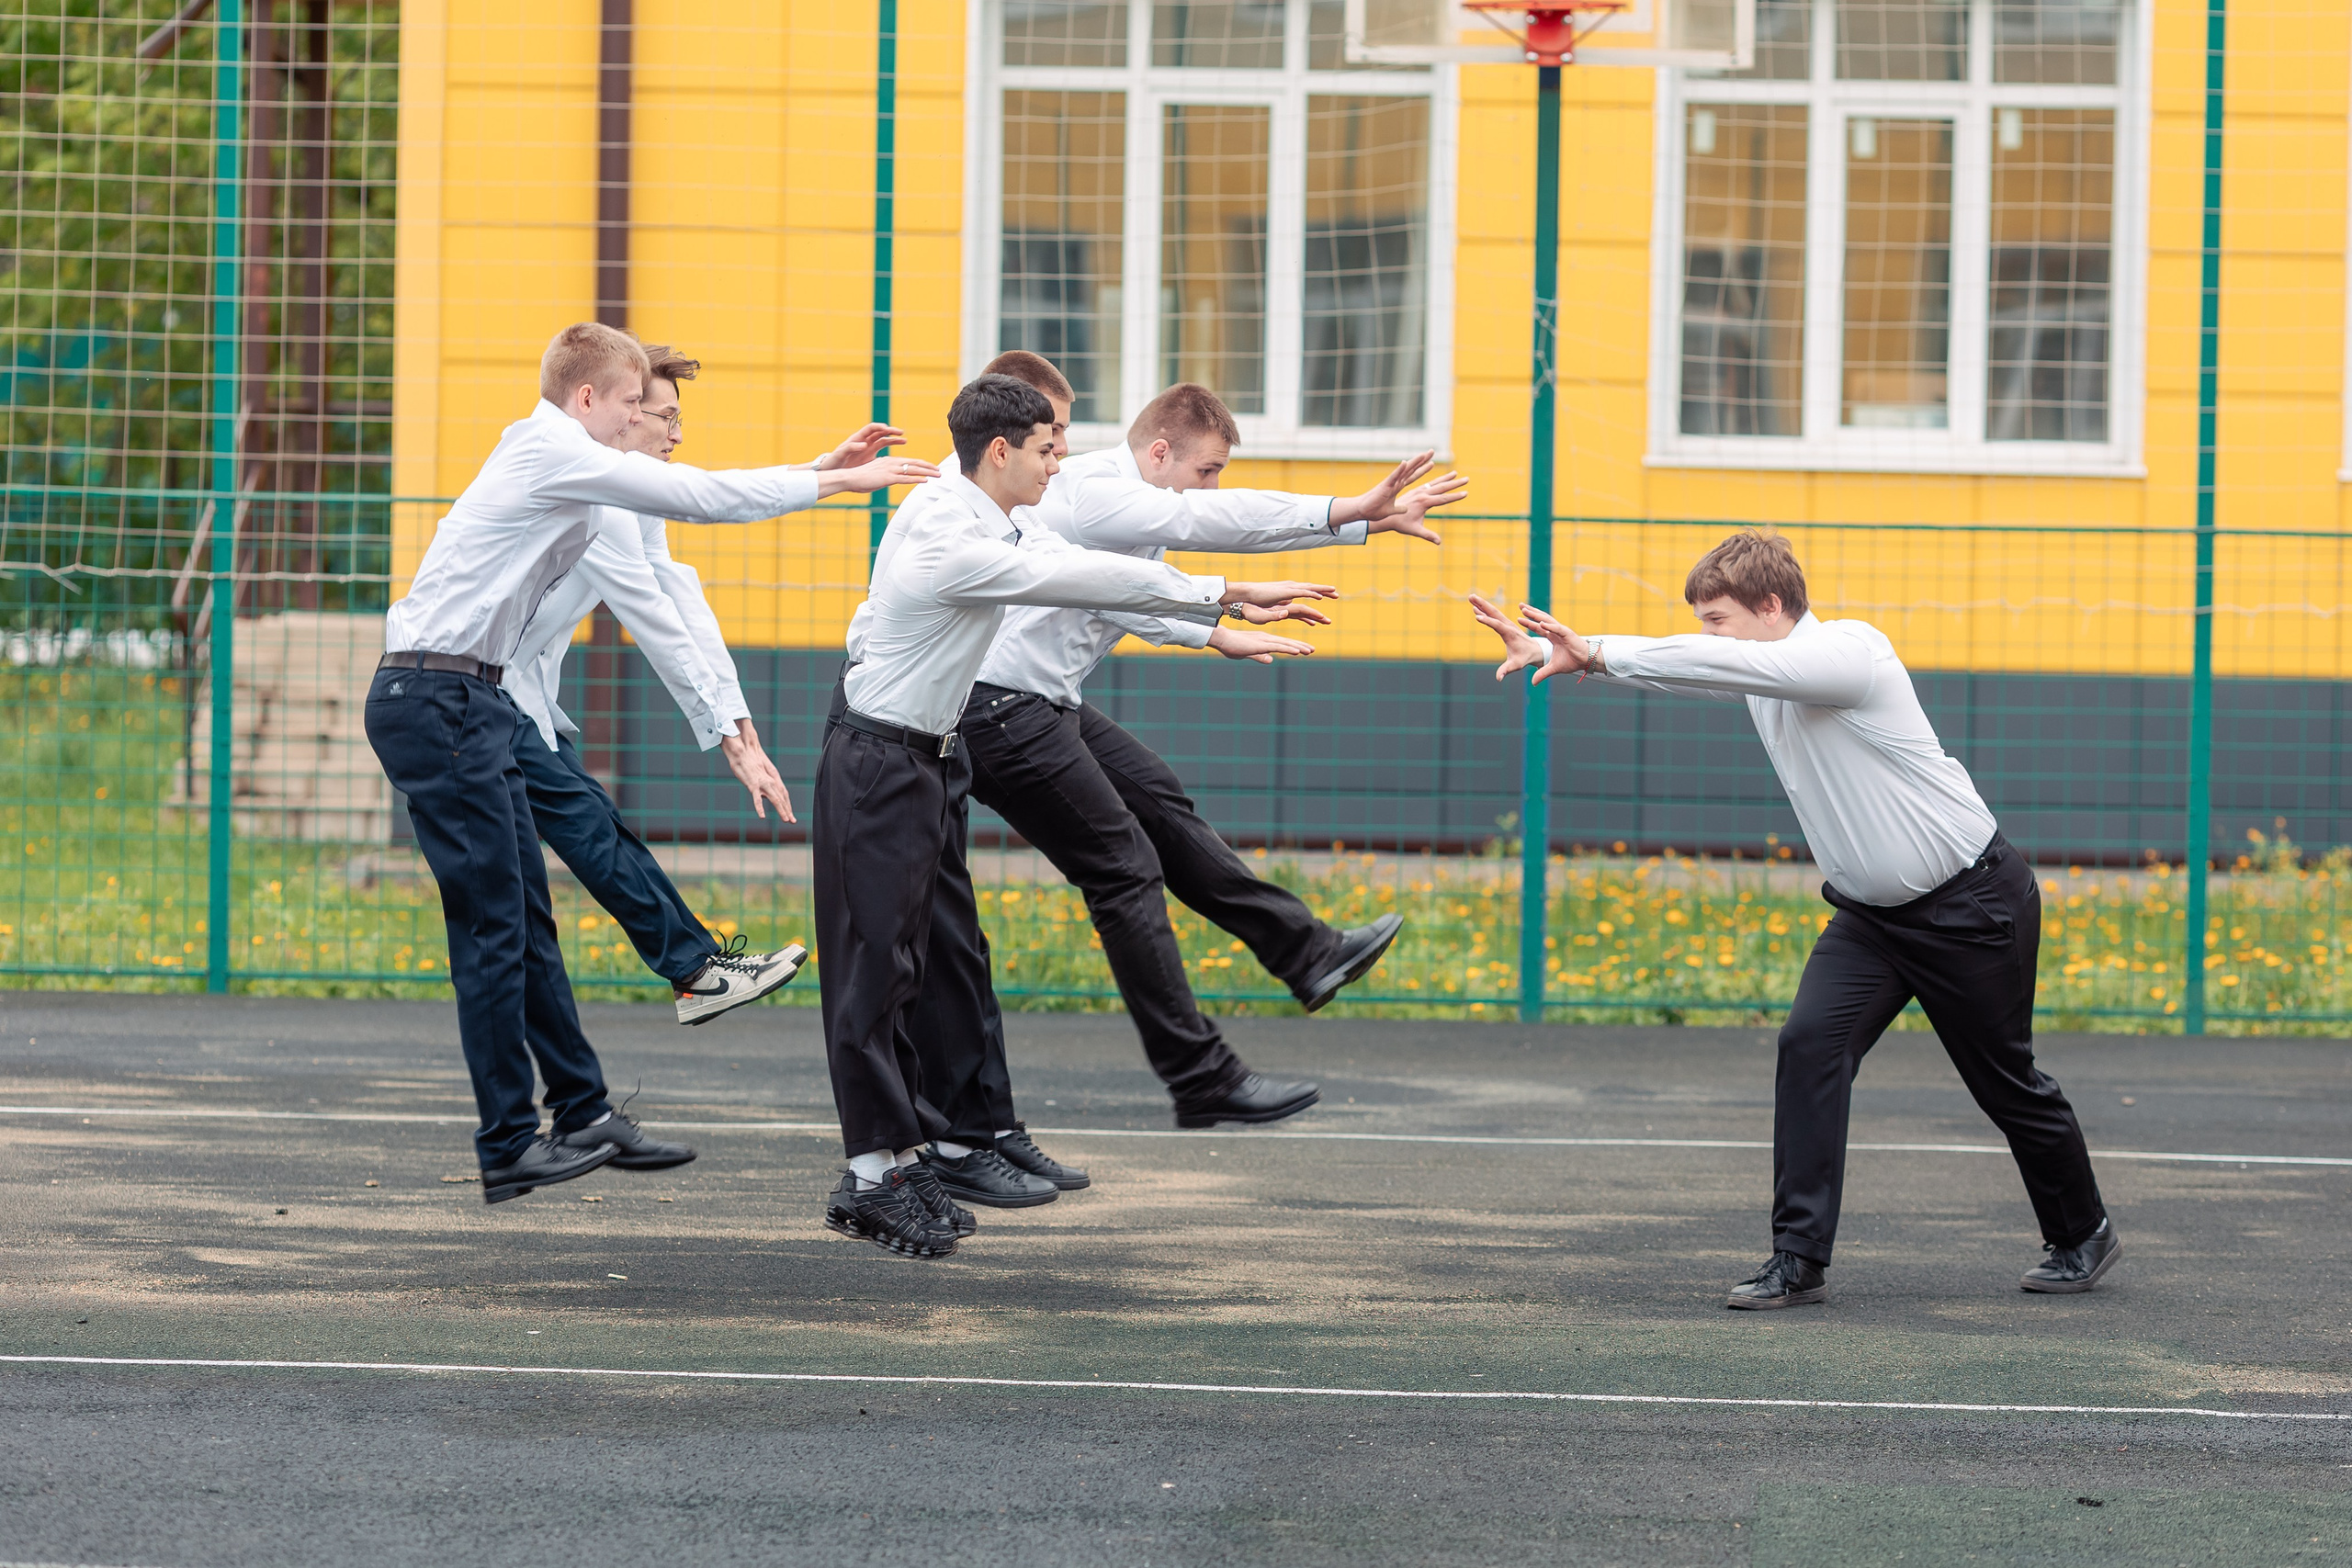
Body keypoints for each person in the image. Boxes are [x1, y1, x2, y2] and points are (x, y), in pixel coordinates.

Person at [1470, 530, 2120, 1304]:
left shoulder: (1851, 653)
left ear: (1771, 606)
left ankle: (2084, 1231)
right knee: (1809, 1046)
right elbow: (1705, 671)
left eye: (1718, 618)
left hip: (1970, 904)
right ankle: (1798, 1258)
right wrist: (1596, 660)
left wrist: (1602, 647)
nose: (1710, 636)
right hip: (1871, 922)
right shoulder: (1759, 673)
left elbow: (1726, 663)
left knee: (2004, 1081)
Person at [366, 321, 933, 1205]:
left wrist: (820, 466)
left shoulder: (580, 469)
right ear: (586, 399)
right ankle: (510, 1142)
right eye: (635, 404)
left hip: (472, 703)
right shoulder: (550, 450)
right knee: (493, 933)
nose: (646, 422)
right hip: (436, 700)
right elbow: (702, 498)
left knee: (523, 923)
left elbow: (679, 536)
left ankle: (583, 1111)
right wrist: (834, 481)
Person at [909, 359, 1467, 1212]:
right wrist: (1344, 513)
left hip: (1043, 701)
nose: (1209, 486)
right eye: (1204, 468)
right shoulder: (1100, 486)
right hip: (998, 707)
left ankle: (1307, 953)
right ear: (1161, 452)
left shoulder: (1111, 508)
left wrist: (1215, 631)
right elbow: (1215, 523)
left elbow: (1118, 595)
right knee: (1124, 867)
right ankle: (1199, 1073)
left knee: (1159, 802)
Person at [814, 373, 1335, 1258]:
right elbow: (1065, 574)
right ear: (1001, 451)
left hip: (925, 753)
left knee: (920, 962)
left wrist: (1210, 612)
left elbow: (1081, 576)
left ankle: (913, 1157)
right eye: (1049, 445)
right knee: (876, 977)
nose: (1064, 458)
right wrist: (1222, 593)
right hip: (879, 760)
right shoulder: (950, 532)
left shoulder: (996, 517)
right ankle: (871, 1177)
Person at [503, 343, 901, 1025]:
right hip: (473, 698)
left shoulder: (630, 503)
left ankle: (682, 986)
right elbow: (655, 614)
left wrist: (739, 726)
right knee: (553, 870)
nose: (676, 434)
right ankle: (690, 975)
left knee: (567, 857)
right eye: (661, 414)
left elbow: (679, 597)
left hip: (517, 703)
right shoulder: (593, 490)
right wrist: (727, 738)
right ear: (620, 416)